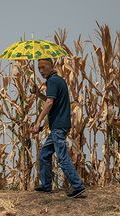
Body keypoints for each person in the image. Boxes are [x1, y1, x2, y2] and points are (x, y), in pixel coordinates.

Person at [30, 58, 86, 198]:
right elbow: (52, 99)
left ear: (51, 66)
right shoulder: (58, 80)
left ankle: (78, 186)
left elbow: (49, 103)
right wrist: (39, 94)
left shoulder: (52, 81)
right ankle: (46, 185)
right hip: (58, 125)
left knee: (62, 157)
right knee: (44, 154)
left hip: (58, 126)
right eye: (39, 68)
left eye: (44, 67)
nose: (41, 71)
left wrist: (38, 122)